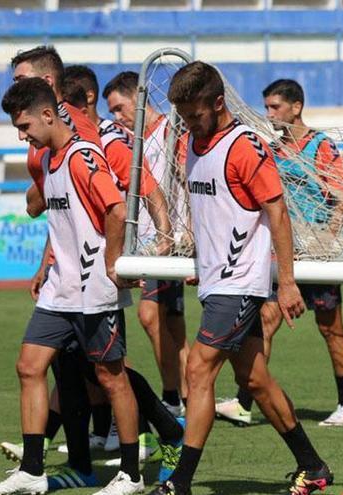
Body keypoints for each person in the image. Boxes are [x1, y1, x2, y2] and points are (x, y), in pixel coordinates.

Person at [149, 61, 333, 495]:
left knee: (198, 370)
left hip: (241, 282)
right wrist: (200, 260)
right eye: (184, 116)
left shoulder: (245, 146)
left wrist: (286, 282)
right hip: (218, 281)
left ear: (218, 103)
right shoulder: (196, 143)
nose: (190, 124)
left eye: (195, 115)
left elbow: (278, 212)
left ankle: (180, 481)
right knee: (255, 380)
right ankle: (314, 465)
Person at [0, 77, 143, 495]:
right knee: (29, 366)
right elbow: (49, 216)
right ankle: (33, 469)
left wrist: (112, 261)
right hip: (60, 289)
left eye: (25, 127)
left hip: (94, 287)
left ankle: (131, 474)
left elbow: (115, 208)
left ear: (48, 114)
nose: (22, 136)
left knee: (112, 379)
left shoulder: (81, 156)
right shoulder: (50, 159)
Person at [214, 78, 343, 427]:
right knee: (265, 320)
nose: (270, 114)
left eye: (275, 107)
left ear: (296, 107)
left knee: (331, 329)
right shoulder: (274, 151)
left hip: (317, 254)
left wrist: (328, 238)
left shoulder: (321, 146)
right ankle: (246, 402)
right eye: (266, 107)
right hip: (284, 254)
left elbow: (341, 199)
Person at [103, 71, 190, 417]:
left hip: (170, 241)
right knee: (172, 324)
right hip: (155, 242)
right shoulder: (133, 140)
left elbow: (189, 178)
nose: (117, 117)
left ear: (138, 100)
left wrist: (191, 228)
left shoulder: (171, 130)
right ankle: (188, 394)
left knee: (149, 314)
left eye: (120, 107)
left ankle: (171, 395)